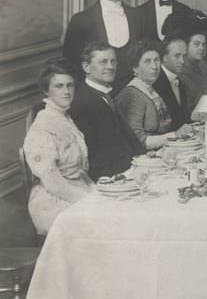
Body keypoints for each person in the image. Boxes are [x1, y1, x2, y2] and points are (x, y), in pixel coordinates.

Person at [21, 58, 95, 234]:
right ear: (47, 90)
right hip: (52, 202)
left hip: (77, 189)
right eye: (59, 86)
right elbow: (54, 184)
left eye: (70, 85)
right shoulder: (43, 126)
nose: (66, 91)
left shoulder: (65, 119)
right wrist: (90, 199)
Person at [68, 42, 144, 180]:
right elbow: (91, 153)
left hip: (129, 168)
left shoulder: (106, 94)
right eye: (103, 62)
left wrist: (143, 158)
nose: (110, 67)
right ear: (86, 67)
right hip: (108, 177)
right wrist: (127, 173)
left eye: (113, 61)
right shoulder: (81, 101)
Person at [62, 0, 140, 89]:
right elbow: (71, 63)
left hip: (132, 91)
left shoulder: (137, 16)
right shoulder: (81, 20)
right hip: (96, 94)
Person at [115, 40, 184, 151]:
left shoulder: (152, 90)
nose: (154, 67)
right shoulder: (131, 94)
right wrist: (175, 135)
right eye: (147, 61)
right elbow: (138, 141)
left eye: (156, 60)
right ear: (135, 68)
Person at [155, 35, 190, 129]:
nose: (182, 61)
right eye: (177, 56)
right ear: (164, 57)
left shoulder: (180, 80)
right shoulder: (155, 81)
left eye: (184, 56)